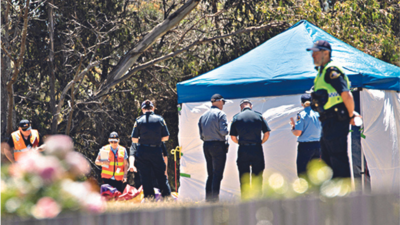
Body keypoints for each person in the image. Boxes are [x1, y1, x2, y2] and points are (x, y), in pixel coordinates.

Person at [306, 40, 361, 178]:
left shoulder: (332, 70)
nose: (313, 56)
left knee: (338, 159)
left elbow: (346, 94)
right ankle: (332, 194)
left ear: (326, 53)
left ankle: (345, 195)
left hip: (336, 120)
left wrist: (350, 116)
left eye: (316, 53)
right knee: (327, 160)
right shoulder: (321, 72)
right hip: (328, 121)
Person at [131, 100, 171, 198]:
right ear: (153, 108)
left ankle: (149, 199)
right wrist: (156, 139)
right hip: (156, 150)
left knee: (145, 177)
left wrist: (144, 140)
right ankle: (166, 197)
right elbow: (166, 137)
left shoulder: (139, 121)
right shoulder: (160, 119)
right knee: (161, 176)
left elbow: (134, 139)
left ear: (142, 109)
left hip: (143, 151)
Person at [230, 100, 271, 196]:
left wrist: (240, 142)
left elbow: (233, 137)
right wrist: (261, 142)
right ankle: (257, 198)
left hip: (243, 149)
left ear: (241, 107)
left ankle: (245, 198)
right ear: (251, 106)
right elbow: (267, 133)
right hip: (256, 148)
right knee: (257, 175)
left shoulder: (236, 117)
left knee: (244, 175)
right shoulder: (259, 116)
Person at [198, 93, 229, 202]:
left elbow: (201, 135)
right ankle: (214, 201)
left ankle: (208, 199)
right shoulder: (221, 114)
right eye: (223, 102)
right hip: (218, 145)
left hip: (206, 145)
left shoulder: (204, 115)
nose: (223, 104)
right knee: (217, 175)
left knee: (210, 174)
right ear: (219, 101)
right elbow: (223, 132)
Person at [289, 94, 322, 176]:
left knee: (303, 172)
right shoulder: (318, 113)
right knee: (316, 172)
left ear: (301, 103)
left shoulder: (301, 115)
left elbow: (298, 132)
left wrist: (293, 128)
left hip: (306, 146)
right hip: (318, 145)